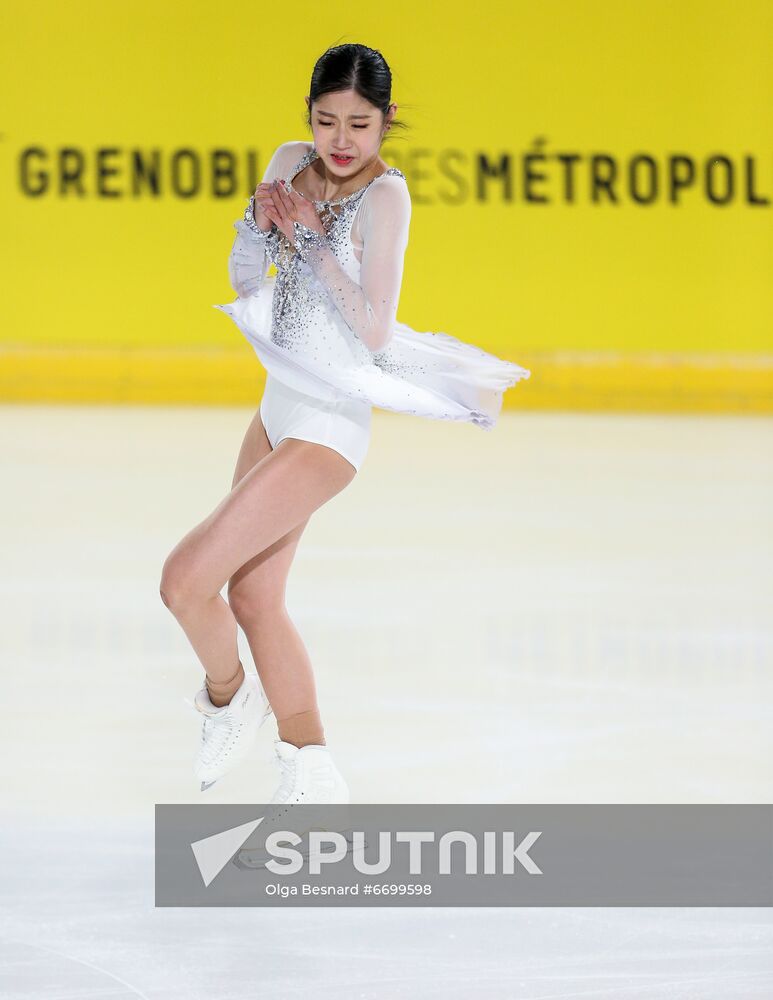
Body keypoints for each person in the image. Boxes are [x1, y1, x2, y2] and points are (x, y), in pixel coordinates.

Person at [160, 43, 531, 806]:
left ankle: (229, 700)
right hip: (278, 402)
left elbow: (370, 329)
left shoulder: (386, 199)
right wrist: (260, 228)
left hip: (329, 420)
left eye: (358, 124)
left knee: (184, 581)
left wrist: (307, 242)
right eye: (326, 120)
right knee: (255, 598)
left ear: (386, 121)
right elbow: (242, 279)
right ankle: (311, 766)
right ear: (307, 115)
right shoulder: (289, 159)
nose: (339, 140)